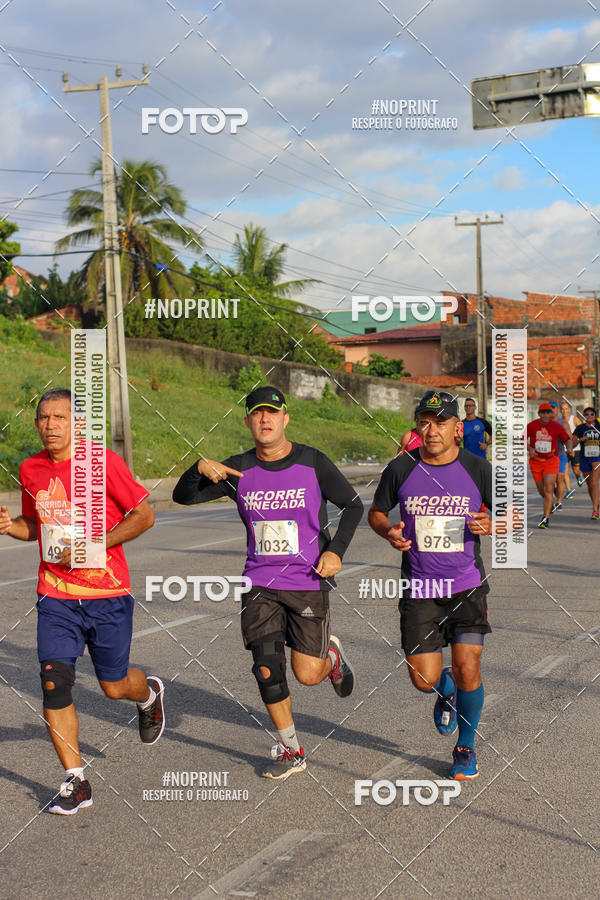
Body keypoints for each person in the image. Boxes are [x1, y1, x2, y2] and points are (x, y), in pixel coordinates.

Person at [172, 386, 363, 780]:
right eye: (257, 413)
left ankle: (330, 657)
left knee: (307, 674)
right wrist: (198, 468)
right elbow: (183, 497)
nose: (265, 419)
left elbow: (353, 504)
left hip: (308, 579)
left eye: (272, 413)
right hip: (259, 581)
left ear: (285, 418)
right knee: (266, 668)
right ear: (247, 421)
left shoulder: (312, 461)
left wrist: (336, 551)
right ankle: (292, 749)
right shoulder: (239, 468)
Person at [0, 388, 164, 815]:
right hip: (55, 594)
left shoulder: (102, 462)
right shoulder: (31, 469)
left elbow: (144, 515)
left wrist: (95, 543)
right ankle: (76, 781)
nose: (51, 425)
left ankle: (147, 695)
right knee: (53, 682)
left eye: (59, 417)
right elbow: (34, 527)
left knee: (113, 686)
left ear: (75, 422)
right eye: (43, 417)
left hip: (106, 593)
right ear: (36, 424)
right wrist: (8, 526)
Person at [368, 390, 493, 781]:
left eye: (440, 422)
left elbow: (513, 513)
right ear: (417, 426)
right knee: (423, 679)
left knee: (469, 665)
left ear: (458, 427)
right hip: (419, 587)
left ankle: (465, 747)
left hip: (467, 584)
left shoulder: (477, 469)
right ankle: (445, 691)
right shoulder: (401, 469)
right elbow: (375, 513)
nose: (431, 429)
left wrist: (496, 524)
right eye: (425, 421)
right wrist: (388, 530)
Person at [526, 402, 572, 529]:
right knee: (542, 491)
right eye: (543, 412)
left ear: (551, 414)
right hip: (536, 461)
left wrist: (569, 448)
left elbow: (567, 439)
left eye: (548, 412)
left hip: (551, 461)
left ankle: (545, 518)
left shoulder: (557, 426)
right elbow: (521, 439)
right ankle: (550, 501)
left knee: (548, 489)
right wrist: (529, 448)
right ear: (539, 414)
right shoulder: (532, 425)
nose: (545, 414)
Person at [571, 407, 600, 519]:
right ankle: (596, 503)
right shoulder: (580, 428)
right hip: (584, 458)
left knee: (594, 482)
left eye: (591, 414)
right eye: (586, 414)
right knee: (589, 484)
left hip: (597, 457)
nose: (589, 416)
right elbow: (572, 444)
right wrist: (580, 440)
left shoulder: (598, 427)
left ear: (595, 416)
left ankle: (595, 511)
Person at [548, 401, 567, 510]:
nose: (551, 410)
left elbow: (568, 438)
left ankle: (559, 502)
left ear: (557, 410)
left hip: (560, 455)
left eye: (553, 408)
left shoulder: (563, 423)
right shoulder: (543, 423)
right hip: (547, 457)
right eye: (549, 409)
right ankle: (551, 499)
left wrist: (569, 447)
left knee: (559, 479)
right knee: (549, 480)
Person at [558, 400, 577, 498]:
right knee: (564, 471)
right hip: (563, 449)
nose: (564, 411)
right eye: (562, 409)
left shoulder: (574, 419)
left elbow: (581, 429)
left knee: (576, 470)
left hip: (575, 447)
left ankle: (578, 476)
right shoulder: (559, 421)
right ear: (560, 410)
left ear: (569, 409)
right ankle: (569, 490)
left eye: (566, 408)